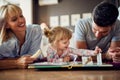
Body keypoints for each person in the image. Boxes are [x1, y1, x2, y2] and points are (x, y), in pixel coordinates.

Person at [0, 4, 43, 69]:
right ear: (6, 25)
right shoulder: (5, 42)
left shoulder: (35, 30)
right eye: (14, 19)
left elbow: (33, 57)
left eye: (21, 16)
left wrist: (8, 61)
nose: (21, 20)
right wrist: (16, 62)